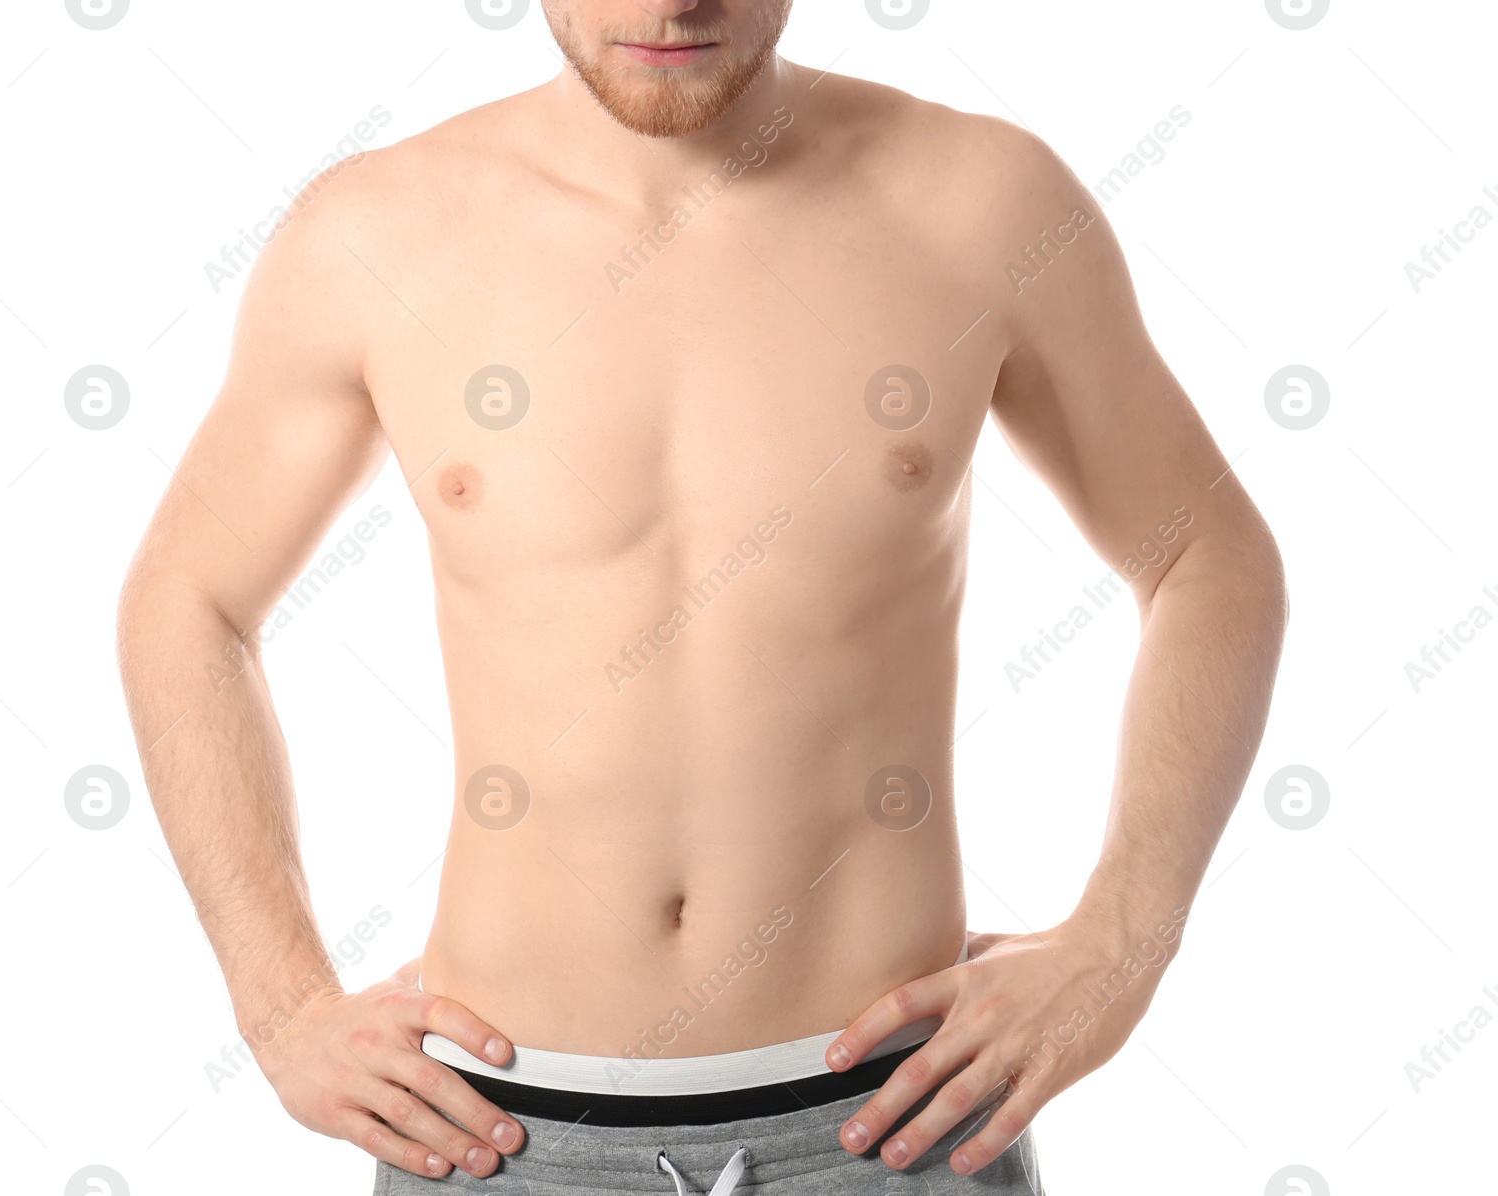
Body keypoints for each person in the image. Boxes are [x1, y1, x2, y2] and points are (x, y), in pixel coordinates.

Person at [116, 1, 1287, 1191]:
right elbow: (189, 597)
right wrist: (281, 1004)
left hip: (896, 1122)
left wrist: (1123, 939)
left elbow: (1207, 558)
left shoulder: (980, 202)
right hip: (491, 1132)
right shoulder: (375, 236)